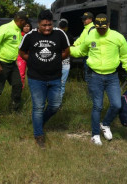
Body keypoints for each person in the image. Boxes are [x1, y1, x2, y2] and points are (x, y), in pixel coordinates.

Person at [70, 13, 127, 146]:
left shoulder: (117, 37)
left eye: (103, 28)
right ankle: (95, 135)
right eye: (98, 28)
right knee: (97, 106)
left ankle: (105, 124)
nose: (100, 30)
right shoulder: (91, 36)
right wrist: (66, 50)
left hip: (112, 77)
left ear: (108, 25)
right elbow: (81, 52)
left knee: (117, 104)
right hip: (95, 76)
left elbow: (126, 56)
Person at [19, 10, 70, 148]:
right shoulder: (30, 35)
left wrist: (57, 60)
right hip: (36, 78)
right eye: (44, 25)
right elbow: (22, 52)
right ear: (38, 24)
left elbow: (66, 51)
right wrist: (33, 61)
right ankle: (39, 135)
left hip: (55, 77)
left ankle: (39, 123)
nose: (47, 28)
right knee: (38, 107)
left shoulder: (60, 34)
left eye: (49, 25)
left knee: (55, 105)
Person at [0, 11, 28, 124]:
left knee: (18, 85)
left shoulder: (18, 30)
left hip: (12, 64)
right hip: (1, 64)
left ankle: (14, 110)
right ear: (21, 21)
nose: (26, 24)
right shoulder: (5, 28)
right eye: (25, 22)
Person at [73, 12, 95, 83]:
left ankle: (91, 91)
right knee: (87, 74)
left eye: (85, 19)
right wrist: (74, 45)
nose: (83, 21)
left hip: (91, 56)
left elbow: (93, 44)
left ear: (90, 19)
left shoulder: (92, 29)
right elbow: (80, 39)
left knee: (90, 75)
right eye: (83, 19)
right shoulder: (86, 29)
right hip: (87, 56)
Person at [57, 18, 74, 100]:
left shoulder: (68, 36)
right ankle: (56, 102)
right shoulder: (69, 36)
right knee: (60, 83)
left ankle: (56, 102)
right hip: (62, 63)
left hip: (62, 63)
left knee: (58, 83)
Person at [17, 21, 32, 88]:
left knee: (33, 73)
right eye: (25, 26)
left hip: (31, 56)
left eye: (28, 26)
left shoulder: (32, 35)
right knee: (21, 74)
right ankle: (21, 88)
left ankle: (33, 87)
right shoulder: (19, 35)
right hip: (21, 56)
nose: (26, 28)